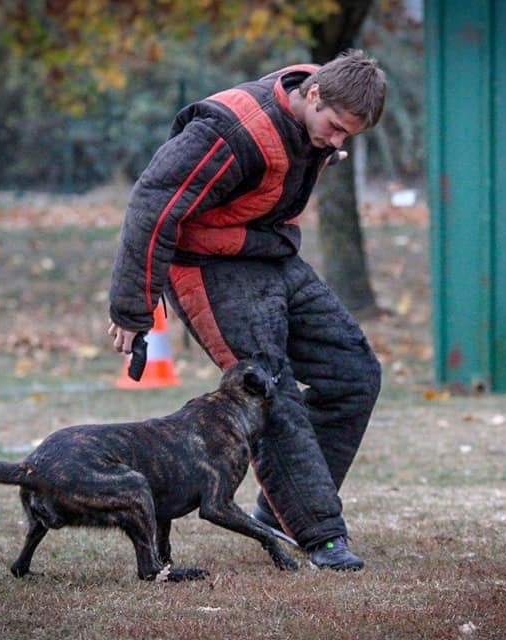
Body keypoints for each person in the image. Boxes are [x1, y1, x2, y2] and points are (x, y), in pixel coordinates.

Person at [107, 49, 386, 571]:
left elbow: (302, 150)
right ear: (315, 94)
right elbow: (152, 200)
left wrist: (325, 146)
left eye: (350, 135)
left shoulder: (314, 117)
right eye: (335, 128)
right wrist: (132, 307)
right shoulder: (228, 130)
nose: (338, 140)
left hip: (270, 254)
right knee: (269, 391)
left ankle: (282, 512)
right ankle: (320, 534)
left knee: (355, 373)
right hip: (207, 267)